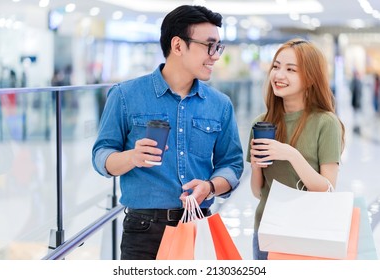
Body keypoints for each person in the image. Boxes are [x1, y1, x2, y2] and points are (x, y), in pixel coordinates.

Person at [92, 5, 244, 260]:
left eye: (218, 47)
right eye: (209, 45)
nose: (215, 55)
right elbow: (101, 156)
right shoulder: (125, 95)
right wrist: (132, 157)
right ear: (178, 46)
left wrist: (209, 187)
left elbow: (232, 164)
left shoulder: (220, 104)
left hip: (197, 225)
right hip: (143, 232)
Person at [246, 38, 345, 260]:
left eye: (291, 69)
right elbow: (257, 192)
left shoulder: (326, 122)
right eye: (276, 66)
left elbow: (327, 190)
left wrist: (290, 154)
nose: (279, 75)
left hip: (308, 232)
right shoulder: (262, 123)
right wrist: (255, 166)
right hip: (266, 230)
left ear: (310, 78)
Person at [350, 69, 362, 133]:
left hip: (357, 102)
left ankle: (357, 126)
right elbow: (351, 90)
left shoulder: (359, 82)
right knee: (355, 114)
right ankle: (355, 125)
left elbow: (360, 93)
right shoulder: (353, 82)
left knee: (357, 114)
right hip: (354, 101)